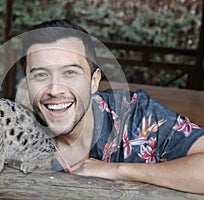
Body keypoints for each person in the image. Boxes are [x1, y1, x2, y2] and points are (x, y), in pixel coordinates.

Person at [21, 19, 204, 194]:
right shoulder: (15, 133)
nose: (55, 90)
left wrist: (118, 170)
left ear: (94, 81)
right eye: (40, 75)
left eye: (70, 73)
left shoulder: (138, 115)